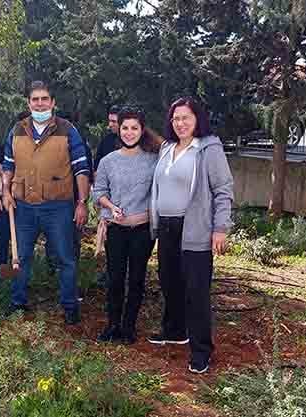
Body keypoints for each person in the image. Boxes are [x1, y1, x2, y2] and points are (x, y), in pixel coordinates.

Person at [148, 97, 234, 374]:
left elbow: (223, 189)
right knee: (170, 282)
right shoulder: (167, 147)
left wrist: (220, 228)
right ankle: (174, 331)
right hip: (167, 227)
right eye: (175, 119)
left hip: (194, 228)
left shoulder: (208, 148)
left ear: (197, 118)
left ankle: (201, 351)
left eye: (186, 117)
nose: (180, 123)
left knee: (196, 291)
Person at [2, 80, 91, 325]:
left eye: (44, 99)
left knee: (65, 258)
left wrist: (82, 202)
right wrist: (5, 192)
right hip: (23, 207)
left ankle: (70, 306)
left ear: (52, 102)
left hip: (58, 206)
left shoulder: (67, 129)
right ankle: (17, 301)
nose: (39, 104)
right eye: (35, 100)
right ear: (28, 103)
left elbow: (81, 168)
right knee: (20, 257)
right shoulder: (17, 129)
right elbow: (8, 165)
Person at [92, 108, 160, 344]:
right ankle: (113, 325)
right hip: (116, 229)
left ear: (142, 131)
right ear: (118, 129)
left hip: (142, 229)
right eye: (125, 128)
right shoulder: (108, 161)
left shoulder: (154, 160)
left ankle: (129, 327)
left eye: (134, 128)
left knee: (137, 278)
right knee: (115, 278)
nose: (129, 133)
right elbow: (99, 192)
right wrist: (110, 207)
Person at [0, 111, 30, 274]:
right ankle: (0, 267)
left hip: (27, 200)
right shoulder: (5, 147)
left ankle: (22, 267)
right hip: (6, 199)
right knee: (3, 235)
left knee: (23, 237)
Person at [93, 105, 121, 175]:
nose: (110, 124)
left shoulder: (134, 142)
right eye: (109, 121)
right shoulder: (105, 142)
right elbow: (96, 170)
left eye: (114, 121)